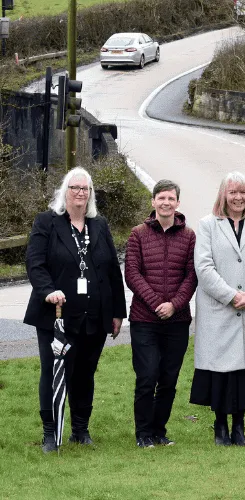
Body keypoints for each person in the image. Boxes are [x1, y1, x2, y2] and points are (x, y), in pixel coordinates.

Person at [25, 167, 126, 452]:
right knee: (53, 372)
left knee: (85, 373)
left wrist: (117, 312)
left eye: (85, 189)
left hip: (94, 316)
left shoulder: (99, 225)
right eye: (75, 188)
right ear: (65, 191)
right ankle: (50, 434)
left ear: (90, 193)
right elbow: (35, 263)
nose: (80, 193)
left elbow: (112, 271)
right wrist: (48, 291)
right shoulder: (47, 222)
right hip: (56, 316)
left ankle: (80, 430)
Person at [190, 172, 245, 447]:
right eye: (233, 192)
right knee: (220, 371)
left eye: (243, 192)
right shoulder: (208, 225)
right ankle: (220, 426)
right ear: (223, 195)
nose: (238, 197)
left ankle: (239, 426)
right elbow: (204, 267)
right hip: (219, 309)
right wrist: (231, 296)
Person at [125, 179, 198, 448]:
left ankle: (159, 432)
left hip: (177, 321)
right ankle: (143, 434)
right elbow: (132, 274)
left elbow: (192, 275)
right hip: (144, 320)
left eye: (171, 198)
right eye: (161, 198)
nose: (166, 203)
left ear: (178, 203)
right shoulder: (137, 234)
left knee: (168, 380)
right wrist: (157, 303)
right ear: (153, 201)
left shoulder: (189, 236)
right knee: (147, 377)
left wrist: (174, 305)